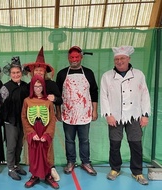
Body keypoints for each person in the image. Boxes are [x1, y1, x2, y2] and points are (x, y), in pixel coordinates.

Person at [100, 46, 151, 185]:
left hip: (134, 114)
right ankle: (115, 168)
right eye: (117, 59)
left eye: (122, 58)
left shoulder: (139, 75)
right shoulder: (107, 76)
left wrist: (145, 114)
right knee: (114, 143)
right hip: (115, 116)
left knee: (136, 144)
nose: (119, 61)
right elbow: (103, 96)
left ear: (129, 59)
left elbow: (145, 95)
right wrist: (108, 114)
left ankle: (137, 172)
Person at [56, 46, 98, 176]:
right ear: (68, 58)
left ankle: (86, 162)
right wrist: (58, 111)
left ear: (81, 57)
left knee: (84, 140)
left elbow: (94, 92)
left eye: (76, 57)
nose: (74, 60)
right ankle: (71, 162)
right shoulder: (62, 74)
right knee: (69, 140)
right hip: (68, 113)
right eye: (71, 57)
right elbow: (57, 95)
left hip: (85, 112)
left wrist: (94, 111)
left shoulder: (89, 73)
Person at [23, 47, 62, 181]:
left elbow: (59, 99)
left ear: (44, 71)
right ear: (33, 72)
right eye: (37, 70)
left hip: (47, 121)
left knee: (47, 146)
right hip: (32, 123)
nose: (39, 72)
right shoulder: (29, 85)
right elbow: (26, 104)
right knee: (34, 147)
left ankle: (50, 169)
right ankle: (35, 172)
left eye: (41, 70)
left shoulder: (51, 84)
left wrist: (54, 99)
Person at [0, 56, 29, 181]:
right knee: (12, 145)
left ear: (21, 73)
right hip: (10, 121)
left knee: (20, 145)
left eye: (18, 72)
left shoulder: (26, 86)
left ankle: (17, 164)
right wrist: (0, 114)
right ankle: (10, 168)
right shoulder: (6, 87)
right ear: (10, 74)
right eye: (13, 73)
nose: (16, 74)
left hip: (23, 121)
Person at [21, 75, 59, 189]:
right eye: (35, 86)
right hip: (34, 133)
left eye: (40, 86)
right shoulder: (27, 101)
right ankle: (34, 175)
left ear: (43, 87)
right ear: (32, 87)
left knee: (47, 153)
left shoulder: (48, 102)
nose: (38, 88)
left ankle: (48, 175)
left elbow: (52, 118)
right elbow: (24, 117)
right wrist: (31, 133)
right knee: (34, 153)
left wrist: (47, 134)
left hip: (45, 131)